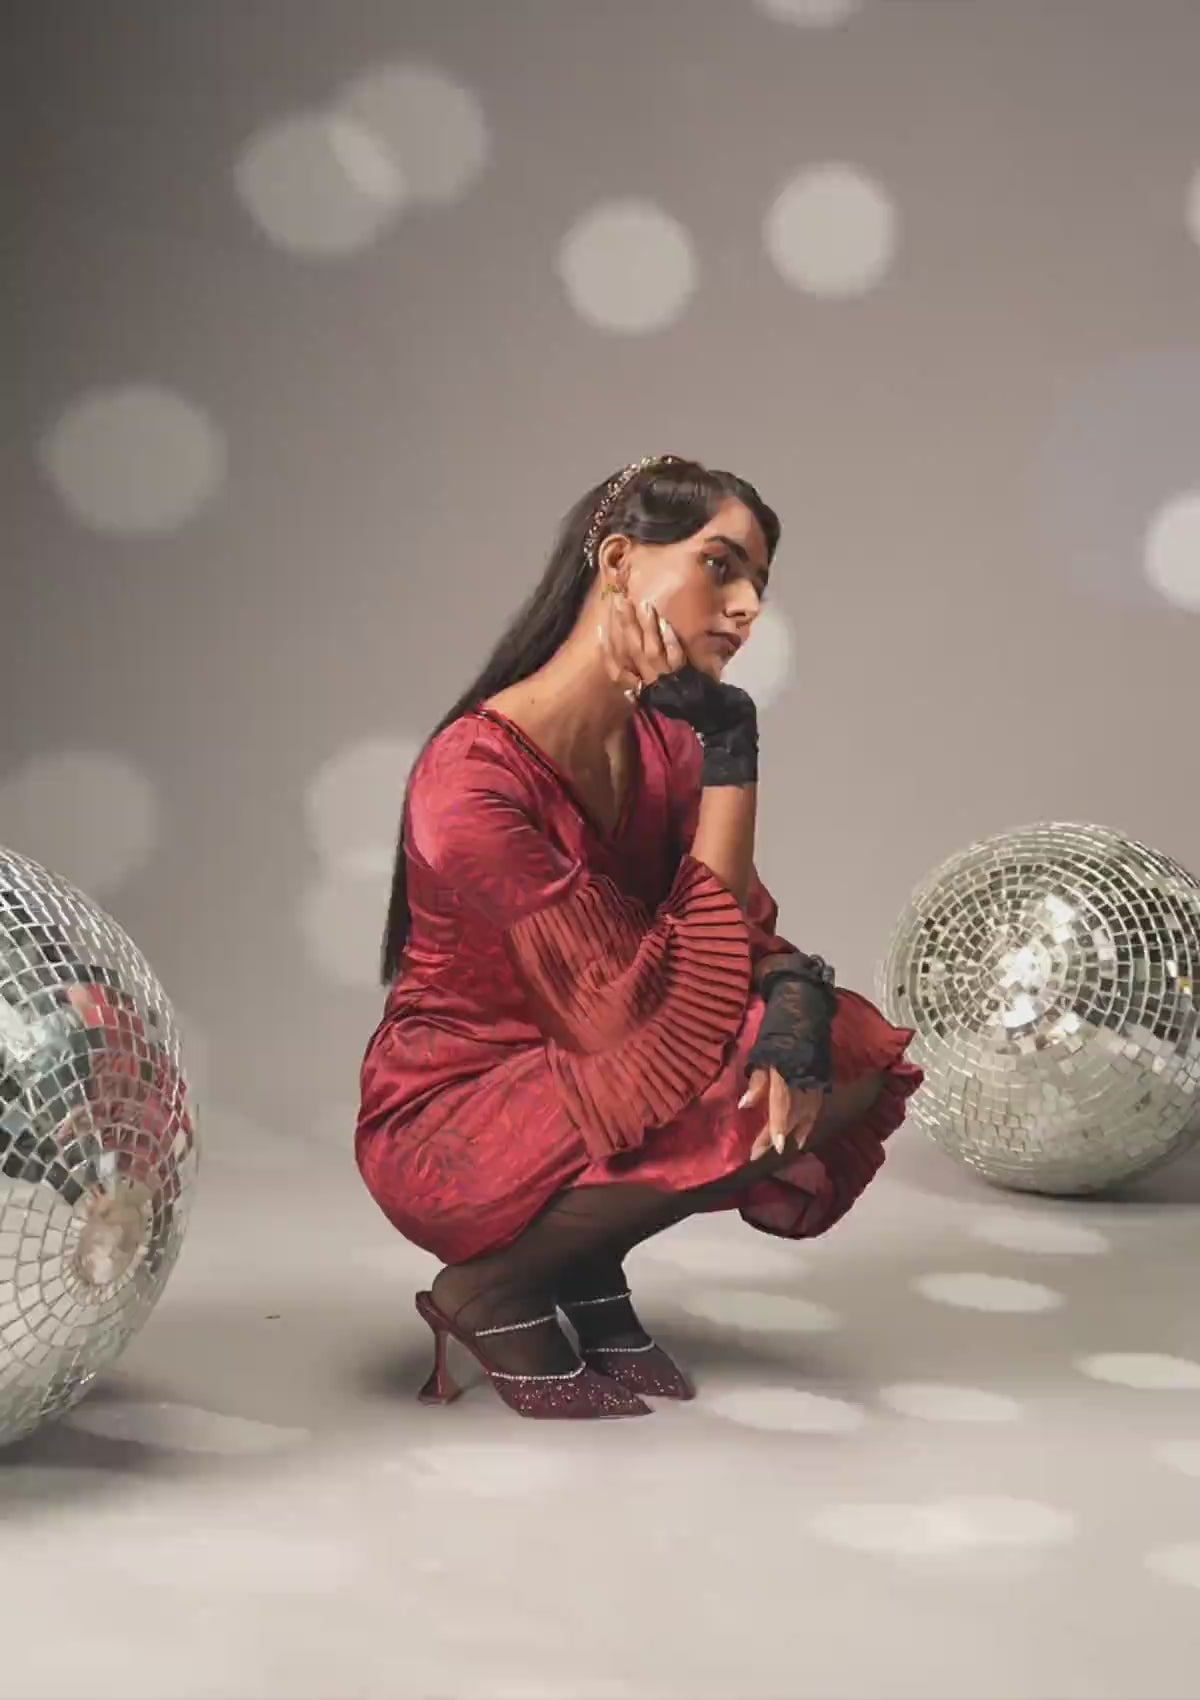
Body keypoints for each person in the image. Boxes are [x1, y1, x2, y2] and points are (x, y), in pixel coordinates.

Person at [356, 455, 922, 1420]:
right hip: (456, 1122)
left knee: (840, 1051)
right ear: (618, 561)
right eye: (720, 566)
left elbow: (740, 939)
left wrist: (793, 1015)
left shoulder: (662, 747)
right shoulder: (471, 778)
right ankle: (490, 1287)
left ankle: (580, 1260)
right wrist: (733, 745)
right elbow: (629, 1022)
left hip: (598, 1073)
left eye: (759, 584)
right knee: (737, 1058)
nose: (747, 609)